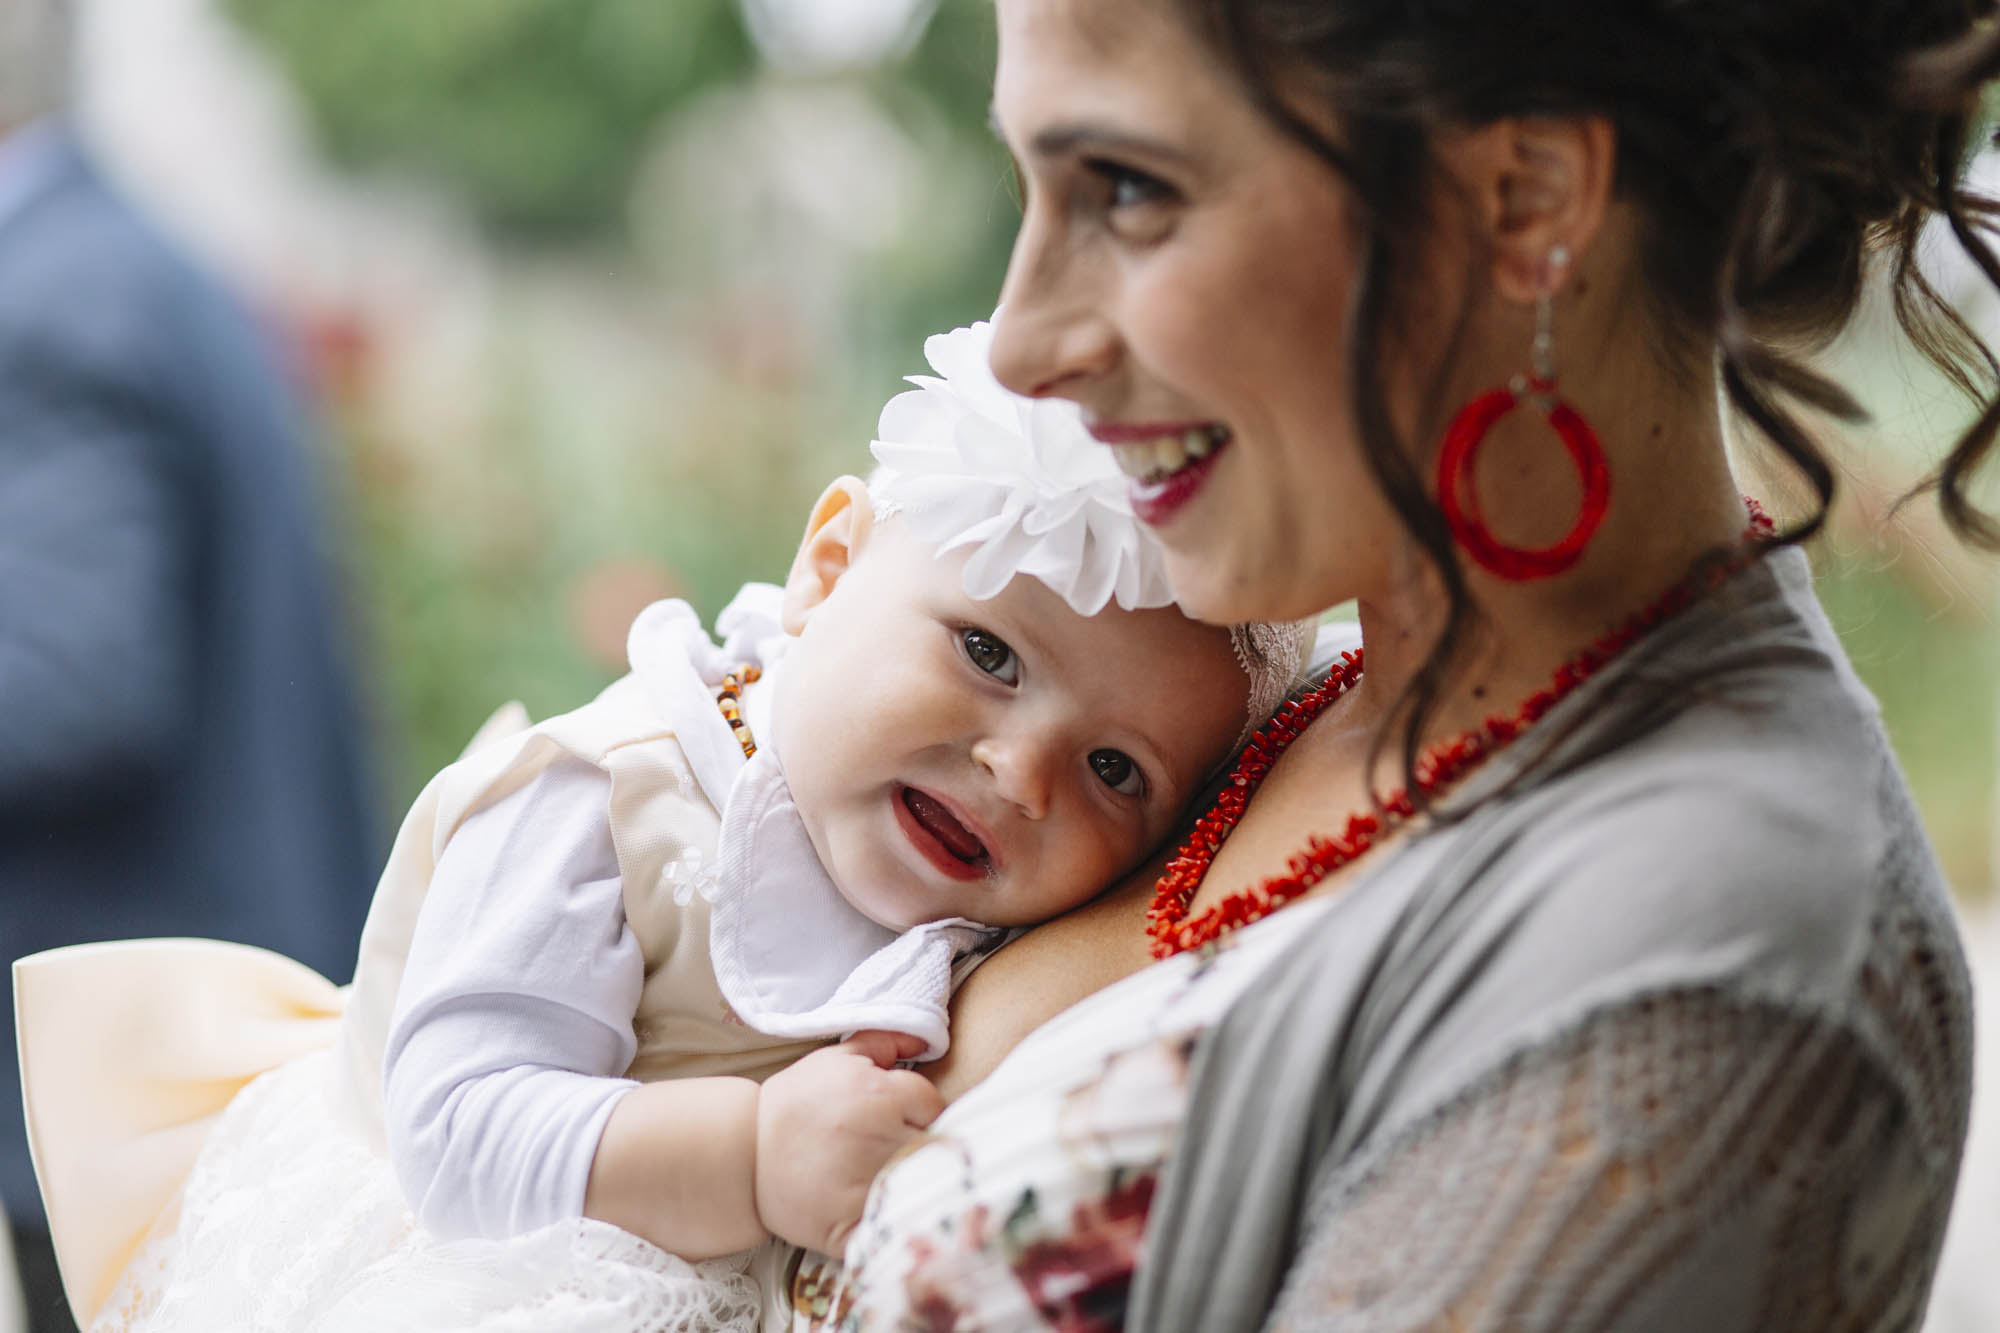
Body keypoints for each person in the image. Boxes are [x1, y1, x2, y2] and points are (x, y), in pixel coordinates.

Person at [778, 2, 1992, 1330]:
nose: (1022, 342)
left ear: (1528, 198)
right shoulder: (1265, 698)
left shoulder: (1714, 979)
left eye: (1126, 190)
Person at [14, 317, 1312, 1332]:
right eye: (987, 651)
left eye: (1115, 769)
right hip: (478, 1266)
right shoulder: (612, 802)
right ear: (828, 570)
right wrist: (752, 1155)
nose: (1022, 773)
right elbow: (455, 1134)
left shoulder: (1002, 901)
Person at [0, 8, 379, 1330]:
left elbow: (66, 680)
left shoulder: (50, 301)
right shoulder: (125, 260)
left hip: (128, 1067)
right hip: (208, 1032)